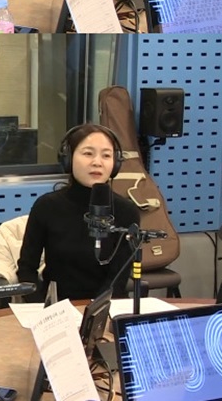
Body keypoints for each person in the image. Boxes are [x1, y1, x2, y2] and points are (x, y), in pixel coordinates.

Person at [17, 123, 140, 301]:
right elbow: (26, 269)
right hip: (56, 308)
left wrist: (93, 311)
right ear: (68, 159)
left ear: (115, 164)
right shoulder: (47, 206)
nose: (97, 162)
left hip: (106, 306)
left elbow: (117, 280)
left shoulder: (126, 211)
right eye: (88, 153)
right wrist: (39, 308)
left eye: (106, 155)